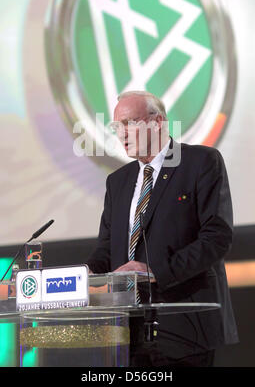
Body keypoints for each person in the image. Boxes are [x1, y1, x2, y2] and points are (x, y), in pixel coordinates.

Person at [87, 90, 238, 367]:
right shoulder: (118, 181)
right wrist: (84, 275)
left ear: (157, 123)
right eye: (116, 127)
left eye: (129, 123)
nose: (122, 134)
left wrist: (154, 271)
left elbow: (217, 237)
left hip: (185, 326)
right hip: (128, 331)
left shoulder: (201, 162)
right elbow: (107, 249)